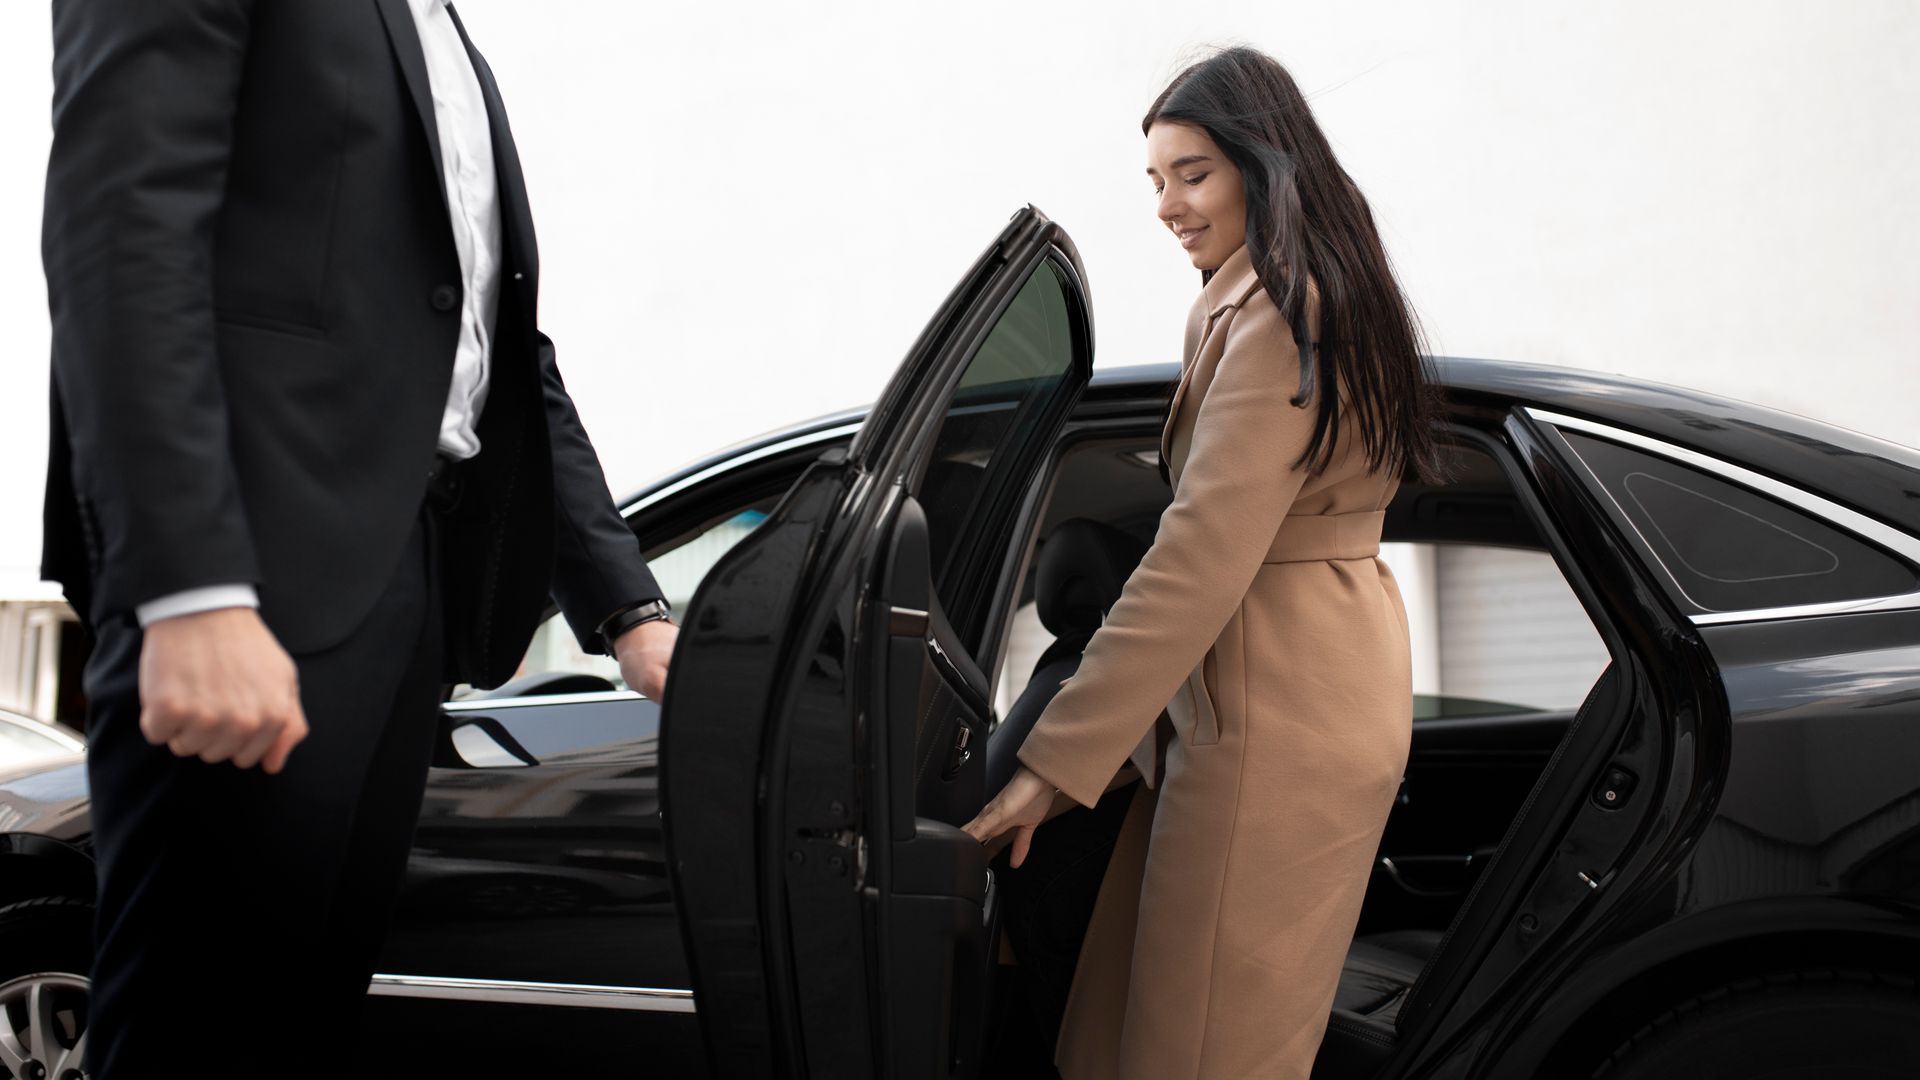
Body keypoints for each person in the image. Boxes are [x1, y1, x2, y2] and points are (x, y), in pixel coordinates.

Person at [39, 2, 678, 1075]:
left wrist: (630, 614)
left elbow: (499, 356)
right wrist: (190, 589)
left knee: (300, 1027)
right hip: (255, 573)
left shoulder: (443, 33)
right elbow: (123, 225)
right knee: (196, 1030)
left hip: (408, 579)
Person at [962, 46, 1446, 1079]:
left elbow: (1196, 560)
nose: (1168, 205)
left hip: (1274, 705)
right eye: (1156, 181)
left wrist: (1053, 763)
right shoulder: (1278, 298)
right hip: (1283, 687)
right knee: (1161, 1028)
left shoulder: (1283, 310)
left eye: (1194, 174)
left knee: (1203, 1047)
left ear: (1262, 168)